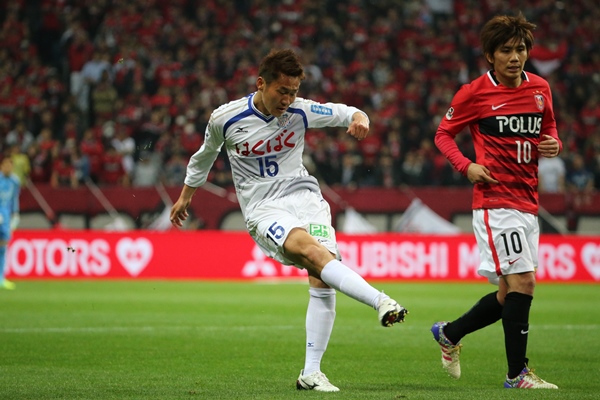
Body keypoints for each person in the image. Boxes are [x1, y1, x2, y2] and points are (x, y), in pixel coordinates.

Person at [170, 49, 408, 392]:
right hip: (264, 207)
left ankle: (311, 373)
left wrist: (361, 118)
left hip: (306, 199)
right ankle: (380, 301)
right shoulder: (226, 118)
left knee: (322, 276)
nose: (287, 99)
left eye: (294, 92)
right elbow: (203, 157)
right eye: (282, 91)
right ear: (261, 83)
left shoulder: (300, 110)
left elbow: (344, 112)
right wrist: (185, 197)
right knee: (313, 253)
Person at [431, 14, 560, 389]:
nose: (515, 57)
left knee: (508, 293)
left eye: (520, 49)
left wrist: (554, 143)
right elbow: (443, 134)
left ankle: (450, 333)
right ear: (490, 55)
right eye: (506, 50)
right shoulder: (474, 93)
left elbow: (549, 127)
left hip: (528, 201)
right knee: (524, 283)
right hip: (495, 202)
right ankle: (516, 374)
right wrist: (466, 165)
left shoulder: (540, 89)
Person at [0, 157, 20, 290]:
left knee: (3, 246)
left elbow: (14, 199)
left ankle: (1, 278)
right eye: (5, 165)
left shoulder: (15, 181)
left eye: (10, 165)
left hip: (6, 216)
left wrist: (16, 214)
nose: (8, 168)